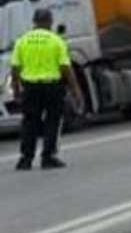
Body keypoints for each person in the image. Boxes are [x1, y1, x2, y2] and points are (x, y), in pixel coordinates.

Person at [11, 9, 84, 170]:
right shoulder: (56, 41)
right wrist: (76, 90)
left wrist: (16, 90)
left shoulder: (22, 41)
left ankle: (25, 159)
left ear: (34, 21)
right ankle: (48, 157)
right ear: (50, 21)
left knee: (29, 122)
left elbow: (15, 68)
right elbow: (66, 68)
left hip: (30, 88)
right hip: (52, 87)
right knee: (53, 121)